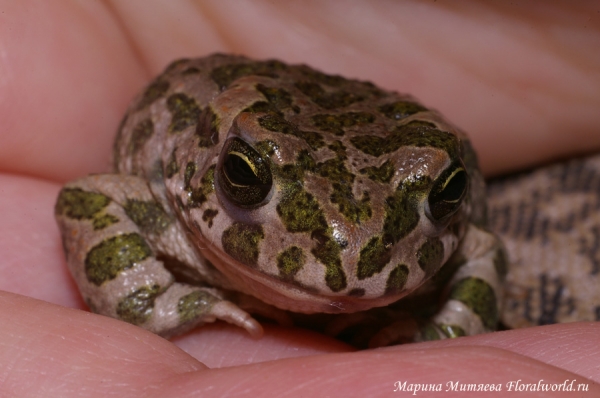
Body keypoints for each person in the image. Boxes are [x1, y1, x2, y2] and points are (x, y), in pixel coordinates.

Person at [1, 1, 599, 395]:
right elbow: (90, 200)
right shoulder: (177, 189)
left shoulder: (443, 214)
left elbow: (480, 253)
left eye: (438, 200)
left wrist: (440, 334)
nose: (345, 255)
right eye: (245, 179)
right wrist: (146, 299)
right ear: (216, 165)